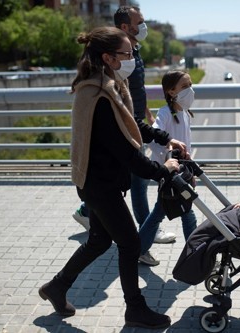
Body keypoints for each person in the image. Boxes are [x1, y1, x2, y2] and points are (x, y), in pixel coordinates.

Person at [39, 26, 184, 329]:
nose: (132, 58)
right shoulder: (98, 94)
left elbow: (132, 124)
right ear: (107, 56)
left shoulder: (110, 84)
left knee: (99, 241)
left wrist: (163, 138)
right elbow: (126, 153)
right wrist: (163, 171)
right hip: (98, 184)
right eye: (127, 54)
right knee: (130, 244)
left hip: (100, 182)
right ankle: (135, 310)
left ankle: (56, 287)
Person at [72, 6, 176, 244]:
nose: (144, 26)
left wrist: (148, 117)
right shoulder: (112, 71)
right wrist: (161, 170)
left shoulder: (131, 54)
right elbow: (117, 101)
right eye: (140, 22)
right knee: (138, 179)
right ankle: (147, 229)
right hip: (125, 129)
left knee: (98, 242)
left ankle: (87, 212)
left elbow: (134, 92)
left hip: (134, 121)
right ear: (124, 28)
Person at [138, 71, 198, 266]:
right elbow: (154, 139)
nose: (190, 90)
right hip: (170, 175)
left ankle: (138, 250)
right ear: (171, 92)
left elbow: (186, 144)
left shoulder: (185, 113)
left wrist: (190, 172)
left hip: (181, 174)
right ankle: (195, 256)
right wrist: (167, 156)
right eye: (184, 86)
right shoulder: (165, 113)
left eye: (190, 84)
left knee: (159, 213)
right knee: (187, 214)